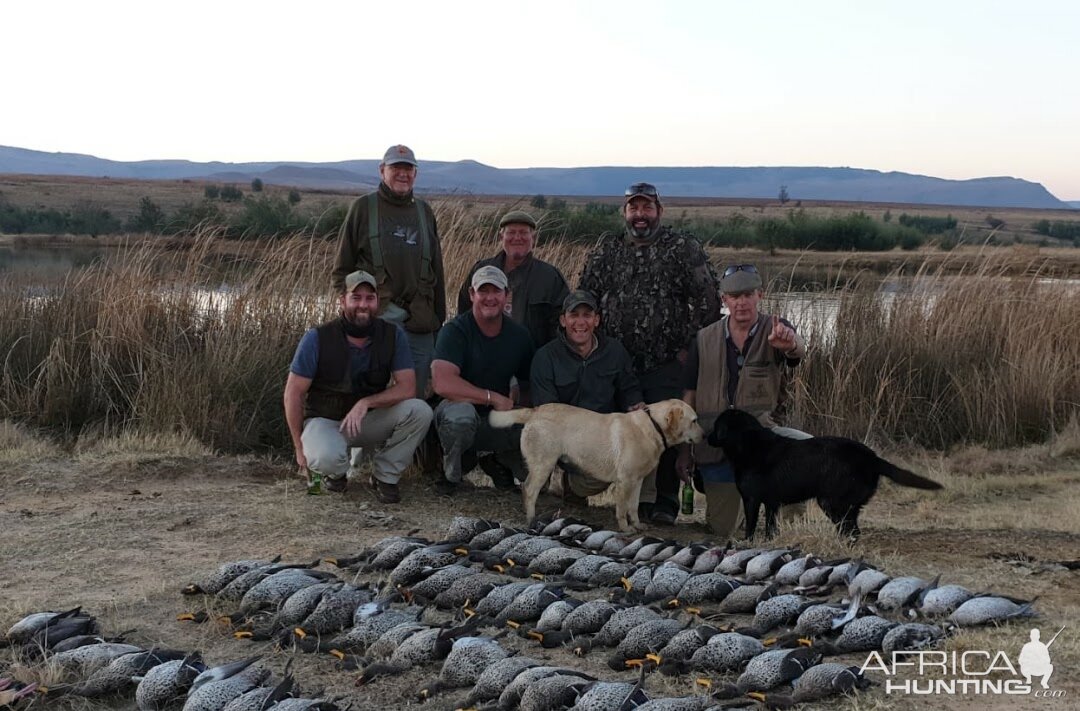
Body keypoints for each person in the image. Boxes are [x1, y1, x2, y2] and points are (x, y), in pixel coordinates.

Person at [578, 182, 723, 525]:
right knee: (626, 431)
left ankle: (666, 500)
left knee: (668, 429)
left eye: (647, 208)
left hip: (668, 360)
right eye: (634, 208)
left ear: (660, 211)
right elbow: (585, 296)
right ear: (624, 212)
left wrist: (690, 346)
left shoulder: (682, 248)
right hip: (617, 359)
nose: (640, 215)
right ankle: (628, 500)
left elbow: (709, 301)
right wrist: (593, 344)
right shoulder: (607, 249)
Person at [678, 264, 809, 537]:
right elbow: (688, 397)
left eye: (748, 294)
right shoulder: (703, 339)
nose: (742, 302)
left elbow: (797, 350)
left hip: (763, 443)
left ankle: (789, 524)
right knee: (724, 529)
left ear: (760, 295)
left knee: (807, 449)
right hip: (715, 447)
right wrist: (685, 449)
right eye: (734, 296)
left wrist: (790, 344)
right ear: (724, 300)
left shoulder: (776, 329)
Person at [284, 270, 433, 503]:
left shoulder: (393, 335)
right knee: (325, 458)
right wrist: (298, 448)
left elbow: (407, 388)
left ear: (377, 302)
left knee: (420, 411)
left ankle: (385, 476)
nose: (363, 304)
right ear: (342, 300)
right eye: (356, 297)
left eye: (369, 298)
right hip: (325, 420)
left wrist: (367, 403)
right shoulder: (317, 337)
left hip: (366, 421)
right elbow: (293, 393)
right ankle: (334, 473)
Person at [332, 144, 446, 398]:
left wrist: (438, 321)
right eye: (396, 168)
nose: (403, 174)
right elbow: (341, 271)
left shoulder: (424, 211)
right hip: (377, 318)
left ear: (415, 174)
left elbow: (437, 270)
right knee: (370, 392)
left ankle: (412, 438)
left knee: (415, 398)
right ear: (382, 171)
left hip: (420, 319)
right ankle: (367, 436)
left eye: (409, 168)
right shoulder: (362, 208)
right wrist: (353, 317)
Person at [531, 289, 645, 500]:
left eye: (587, 315)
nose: (580, 322)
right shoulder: (545, 357)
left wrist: (636, 407)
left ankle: (571, 487)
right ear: (563, 320)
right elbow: (548, 411)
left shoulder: (615, 351)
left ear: (597, 320)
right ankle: (551, 475)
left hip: (600, 438)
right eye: (574, 315)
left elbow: (629, 390)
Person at [431, 265, 535, 495]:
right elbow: (442, 382)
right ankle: (451, 476)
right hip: (458, 411)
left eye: (496, 291)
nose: (490, 298)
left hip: (497, 418)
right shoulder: (454, 331)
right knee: (462, 417)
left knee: (534, 422)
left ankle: (503, 463)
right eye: (483, 291)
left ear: (507, 295)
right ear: (471, 294)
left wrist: (518, 395)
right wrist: (491, 397)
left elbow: (529, 382)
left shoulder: (519, 335)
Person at [457, 210, 570, 349]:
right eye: (511, 232)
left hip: (532, 363)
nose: (517, 238)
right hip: (484, 359)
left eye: (523, 232)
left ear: (533, 238)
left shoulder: (550, 277)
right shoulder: (481, 271)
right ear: (501, 237)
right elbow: (463, 313)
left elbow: (562, 327)